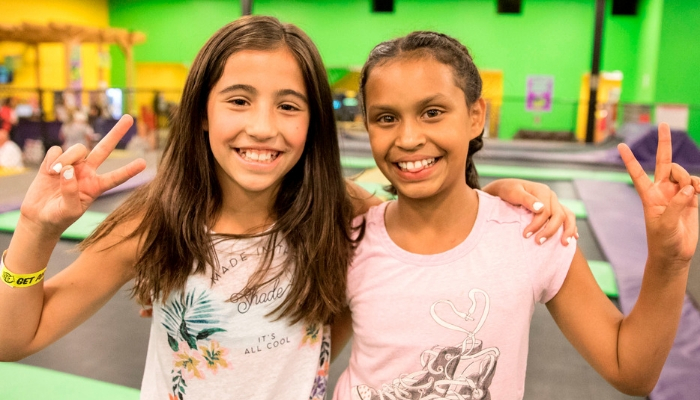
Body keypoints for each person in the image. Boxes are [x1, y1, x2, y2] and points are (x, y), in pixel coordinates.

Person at [0, 17, 574, 400]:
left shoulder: (335, 209)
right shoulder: (156, 219)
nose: (263, 127)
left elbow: (422, 226)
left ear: (313, 122)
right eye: (239, 101)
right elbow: (15, 339)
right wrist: (34, 231)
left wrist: (499, 192)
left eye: (289, 106)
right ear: (202, 113)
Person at [332, 31, 700, 399]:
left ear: (476, 115)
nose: (408, 137)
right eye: (386, 118)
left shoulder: (530, 231)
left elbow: (631, 369)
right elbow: (302, 357)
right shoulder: (349, 238)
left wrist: (669, 261)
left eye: (432, 112)